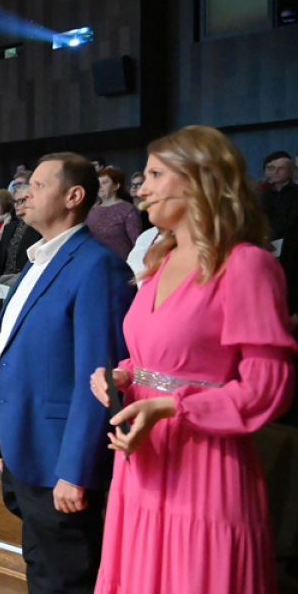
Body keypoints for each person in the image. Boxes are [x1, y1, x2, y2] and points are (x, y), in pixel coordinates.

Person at [89, 126, 295, 594]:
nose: (141, 188)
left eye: (156, 174)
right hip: (141, 463)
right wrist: (123, 374)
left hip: (204, 464)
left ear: (201, 179)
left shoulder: (246, 264)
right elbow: (160, 358)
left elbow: (268, 387)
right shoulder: (159, 260)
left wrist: (170, 406)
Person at [0, 152, 136, 594]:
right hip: (26, 443)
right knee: (41, 565)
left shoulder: (96, 266)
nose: (25, 193)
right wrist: (6, 433)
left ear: (74, 196)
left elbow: (98, 376)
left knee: (66, 576)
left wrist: (77, 469)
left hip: (59, 459)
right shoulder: (37, 259)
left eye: (40, 185)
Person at [86, 167, 142, 259]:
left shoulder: (127, 209)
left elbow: (137, 243)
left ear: (116, 186)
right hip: (95, 264)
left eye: (105, 182)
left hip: (121, 265)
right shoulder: (93, 210)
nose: (100, 186)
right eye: (98, 183)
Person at [0, 185, 41, 283]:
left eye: (20, 201)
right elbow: (0, 259)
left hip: (26, 282)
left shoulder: (39, 227)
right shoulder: (9, 227)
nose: (16, 205)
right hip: (2, 283)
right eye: (15, 202)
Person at [259, 151, 297, 241]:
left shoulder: (296, 192)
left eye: (281, 169)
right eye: (273, 168)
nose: (275, 172)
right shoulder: (265, 194)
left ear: (291, 171)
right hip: (269, 240)